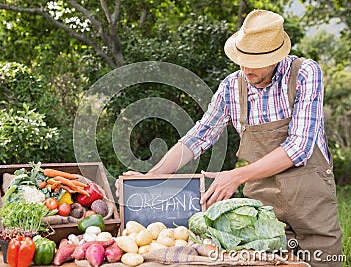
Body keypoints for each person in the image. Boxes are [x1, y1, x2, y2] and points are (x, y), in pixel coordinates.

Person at [119, 9, 342, 266]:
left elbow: (300, 147)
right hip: (263, 214)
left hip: (311, 202)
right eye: (241, 60)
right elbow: (198, 137)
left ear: (276, 57)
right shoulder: (231, 87)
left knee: (325, 262)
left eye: (255, 62)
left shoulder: (305, 74)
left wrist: (236, 176)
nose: (246, 69)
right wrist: (151, 178)